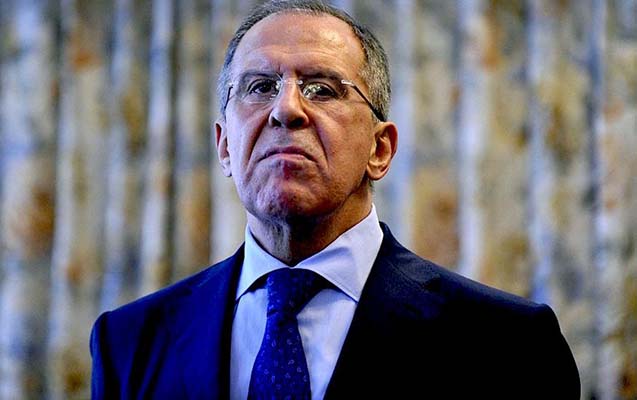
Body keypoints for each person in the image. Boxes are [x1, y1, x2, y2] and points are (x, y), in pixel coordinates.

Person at [90, 0, 581, 398]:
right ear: (224, 147)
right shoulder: (128, 342)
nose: (286, 109)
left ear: (379, 149)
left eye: (322, 89)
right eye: (260, 87)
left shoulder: (508, 343)